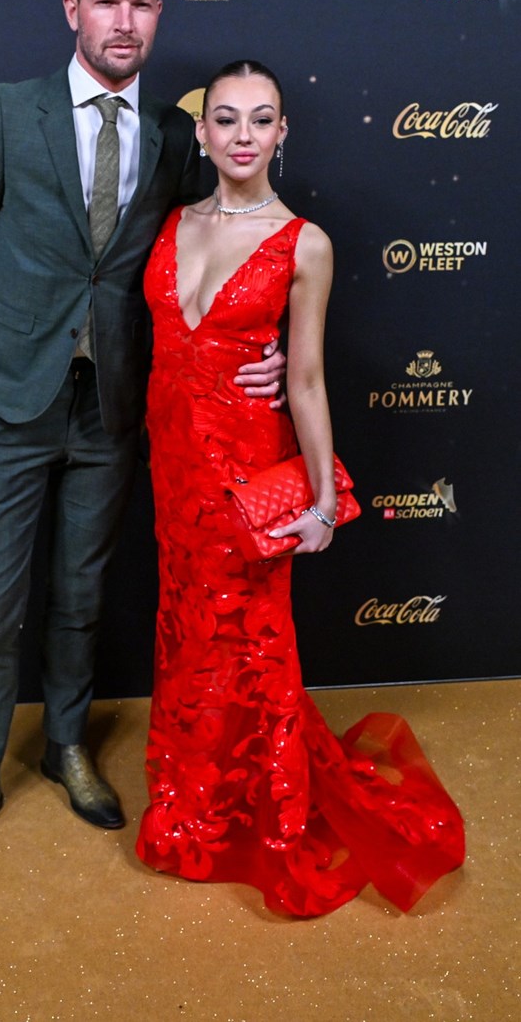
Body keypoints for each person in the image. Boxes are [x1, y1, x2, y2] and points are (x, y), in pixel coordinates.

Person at [0, 0, 285, 875]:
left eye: (142, 3)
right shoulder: (9, 113)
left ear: (159, 12)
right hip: (3, 407)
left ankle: (66, 747)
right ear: (72, 8)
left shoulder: (173, 134)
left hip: (112, 408)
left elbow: (221, 244)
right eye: (107, 1)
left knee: (80, 598)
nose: (124, 21)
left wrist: (270, 342)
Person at [135, 60, 465, 916]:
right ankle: (191, 803)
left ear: (282, 132)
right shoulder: (168, 223)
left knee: (255, 646)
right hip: (173, 468)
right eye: (226, 118)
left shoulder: (302, 241)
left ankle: (269, 817)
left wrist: (320, 501)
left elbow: (307, 378)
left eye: (261, 119)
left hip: (246, 466)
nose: (242, 135)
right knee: (188, 636)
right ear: (201, 131)